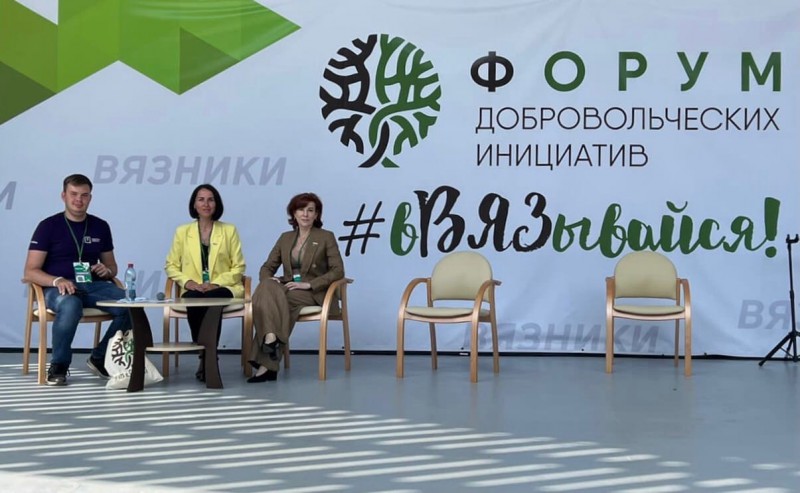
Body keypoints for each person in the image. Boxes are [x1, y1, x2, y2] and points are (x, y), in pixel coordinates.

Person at [23, 174, 131, 386]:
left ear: (90, 197)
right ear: (63, 196)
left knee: (131, 305)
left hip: (92, 285)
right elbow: (30, 271)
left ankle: (100, 358)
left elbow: (112, 267)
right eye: (73, 194)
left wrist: (106, 271)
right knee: (71, 305)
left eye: (84, 195)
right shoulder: (48, 226)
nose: (78, 200)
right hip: (57, 288)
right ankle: (59, 365)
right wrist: (57, 280)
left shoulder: (100, 226)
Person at [248, 192, 344, 382]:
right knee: (267, 286)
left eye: (310, 210)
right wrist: (269, 279)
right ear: (294, 213)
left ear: (317, 215)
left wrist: (309, 284)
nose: (305, 214)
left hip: (315, 293)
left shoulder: (326, 237)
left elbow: (338, 270)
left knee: (276, 301)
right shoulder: (285, 238)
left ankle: (267, 362)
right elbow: (267, 267)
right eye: (301, 209)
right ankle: (270, 338)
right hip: (288, 288)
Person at [165, 184, 245, 381]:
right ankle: (206, 354)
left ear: (216, 204)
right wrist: (188, 282)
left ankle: (208, 356)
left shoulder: (229, 230)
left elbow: (239, 267)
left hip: (223, 288)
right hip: (194, 288)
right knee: (194, 298)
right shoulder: (182, 231)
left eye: (211, 200)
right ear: (194, 204)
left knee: (212, 299)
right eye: (201, 199)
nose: (206, 204)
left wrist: (216, 283)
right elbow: (171, 265)